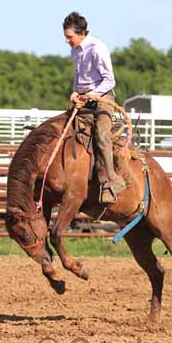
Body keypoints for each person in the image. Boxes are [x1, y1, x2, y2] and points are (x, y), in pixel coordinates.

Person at [63, 11, 126, 204]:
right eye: (66, 37)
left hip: (103, 98)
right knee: (63, 128)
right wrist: (75, 92)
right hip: (83, 98)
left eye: (70, 37)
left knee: (101, 134)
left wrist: (93, 95)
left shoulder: (97, 48)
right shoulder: (75, 50)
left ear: (81, 33)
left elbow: (110, 80)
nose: (67, 41)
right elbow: (78, 76)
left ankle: (113, 181)